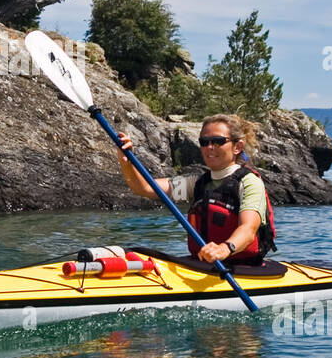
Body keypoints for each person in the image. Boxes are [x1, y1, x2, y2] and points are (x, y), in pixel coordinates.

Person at [116, 113, 276, 270]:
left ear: (237, 147)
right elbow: (145, 188)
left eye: (218, 141)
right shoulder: (198, 183)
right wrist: (127, 162)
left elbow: (248, 229)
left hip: (243, 267)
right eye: (204, 142)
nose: (210, 147)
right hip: (203, 264)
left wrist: (224, 249)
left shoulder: (249, 182)